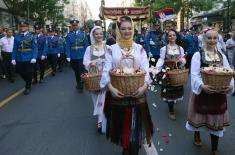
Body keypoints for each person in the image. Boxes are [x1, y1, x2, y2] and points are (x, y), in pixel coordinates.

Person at [100, 16, 154, 155]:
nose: (126, 31)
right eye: (123, 28)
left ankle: (133, 149)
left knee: (135, 127)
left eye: (129, 28)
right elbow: (106, 71)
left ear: (133, 30)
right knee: (123, 126)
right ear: (118, 30)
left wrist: (144, 87)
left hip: (138, 92)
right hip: (118, 93)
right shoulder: (112, 49)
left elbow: (145, 70)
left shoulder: (139, 48)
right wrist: (111, 89)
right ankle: (125, 147)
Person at [186, 29, 234, 155]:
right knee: (199, 116)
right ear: (204, 39)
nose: (212, 41)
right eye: (209, 38)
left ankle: (214, 148)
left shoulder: (221, 55)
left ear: (218, 39)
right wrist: (202, 86)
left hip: (218, 93)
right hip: (203, 92)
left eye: (214, 38)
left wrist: (231, 86)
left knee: (216, 119)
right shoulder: (198, 55)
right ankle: (197, 134)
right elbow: (195, 75)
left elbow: (228, 71)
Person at [156, 29, 186, 120]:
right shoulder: (164, 49)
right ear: (167, 37)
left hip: (177, 72)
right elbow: (161, 59)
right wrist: (157, 69)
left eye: (173, 35)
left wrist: (182, 61)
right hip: (168, 72)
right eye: (170, 35)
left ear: (176, 36)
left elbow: (183, 58)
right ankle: (171, 111)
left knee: (177, 89)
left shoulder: (180, 48)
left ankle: (173, 104)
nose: (172, 37)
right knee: (169, 92)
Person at [83, 26, 108, 134]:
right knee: (96, 98)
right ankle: (100, 117)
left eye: (100, 34)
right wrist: (90, 63)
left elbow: (112, 61)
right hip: (94, 76)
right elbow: (85, 61)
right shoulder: (90, 48)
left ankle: (101, 120)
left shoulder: (107, 47)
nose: (99, 36)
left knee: (104, 98)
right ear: (93, 35)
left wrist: (104, 61)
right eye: (96, 34)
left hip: (105, 76)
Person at [12, 21, 37, 95]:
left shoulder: (32, 36)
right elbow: (14, 48)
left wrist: (34, 57)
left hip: (29, 57)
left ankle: (28, 87)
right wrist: (13, 58)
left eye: (24, 26)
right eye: (21, 26)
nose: (22, 28)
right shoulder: (17, 37)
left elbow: (35, 48)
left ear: (27, 27)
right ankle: (28, 81)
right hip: (19, 57)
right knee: (19, 71)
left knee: (28, 72)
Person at [66, 19, 89, 93]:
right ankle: (78, 82)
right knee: (76, 71)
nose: (75, 27)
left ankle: (81, 84)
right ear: (71, 26)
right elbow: (67, 46)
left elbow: (86, 46)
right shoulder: (69, 35)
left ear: (78, 25)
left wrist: (87, 56)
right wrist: (68, 56)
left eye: (76, 25)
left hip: (81, 55)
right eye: (73, 25)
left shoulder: (83, 34)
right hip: (73, 56)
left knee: (81, 70)